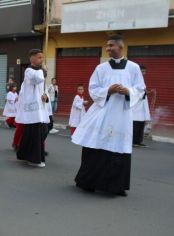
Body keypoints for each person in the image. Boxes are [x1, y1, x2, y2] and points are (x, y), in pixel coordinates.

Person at [72, 35, 145, 197]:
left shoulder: (133, 68)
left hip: (121, 115)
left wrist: (128, 92)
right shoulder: (101, 68)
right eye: (107, 46)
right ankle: (88, 182)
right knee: (95, 145)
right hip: (102, 114)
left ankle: (117, 186)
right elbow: (93, 88)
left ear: (121, 47)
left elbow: (140, 89)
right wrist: (108, 90)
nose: (108, 48)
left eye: (111, 45)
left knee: (119, 148)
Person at [15, 49, 50, 168]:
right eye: (39, 57)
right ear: (32, 59)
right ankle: (33, 159)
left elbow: (42, 87)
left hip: (40, 107)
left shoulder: (38, 71)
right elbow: (37, 79)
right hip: (33, 110)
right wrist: (43, 70)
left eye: (42, 57)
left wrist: (46, 96)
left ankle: (25, 154)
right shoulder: (29, 71)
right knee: (35, 133)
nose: (42, 60)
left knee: (42, 130)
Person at [132, 65, 151, 147]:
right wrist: (143, 92)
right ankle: (133, 141)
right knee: (135, 126)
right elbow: (134, 92)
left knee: (140, 126)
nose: (144, 73)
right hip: (135, 109)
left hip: (141, 108)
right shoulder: (133, 80)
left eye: (144, 71)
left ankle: (138, 141)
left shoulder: (141, 81)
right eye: (142, 71)